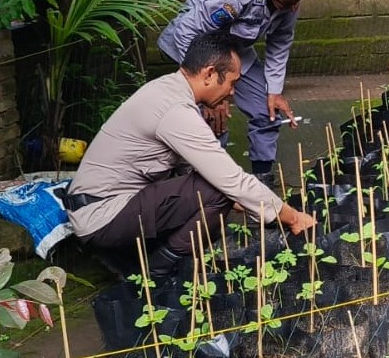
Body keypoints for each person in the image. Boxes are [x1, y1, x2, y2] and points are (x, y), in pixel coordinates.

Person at [62, 32, 315, 279]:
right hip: (102, 215)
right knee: (217, 190)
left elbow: (189, 173)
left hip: (104, 208)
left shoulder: (168, 91)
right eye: (232, 83)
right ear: (209, 74)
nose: (232, 92)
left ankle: (138, 258)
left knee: (218, 199)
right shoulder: (175, 110)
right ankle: (157, 271)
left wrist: (248, 204)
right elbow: (231, 181)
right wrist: (293, 218)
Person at [157, 0, 317, 184]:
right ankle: (199, 185)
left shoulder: (289, 2)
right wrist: (209, 92)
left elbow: (280, 42)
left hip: (234, 48)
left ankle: (262, 181)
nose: (291, 1)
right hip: (192, 47)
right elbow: (188, 32)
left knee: (266, 109)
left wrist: (274, 91)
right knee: (211, 120)